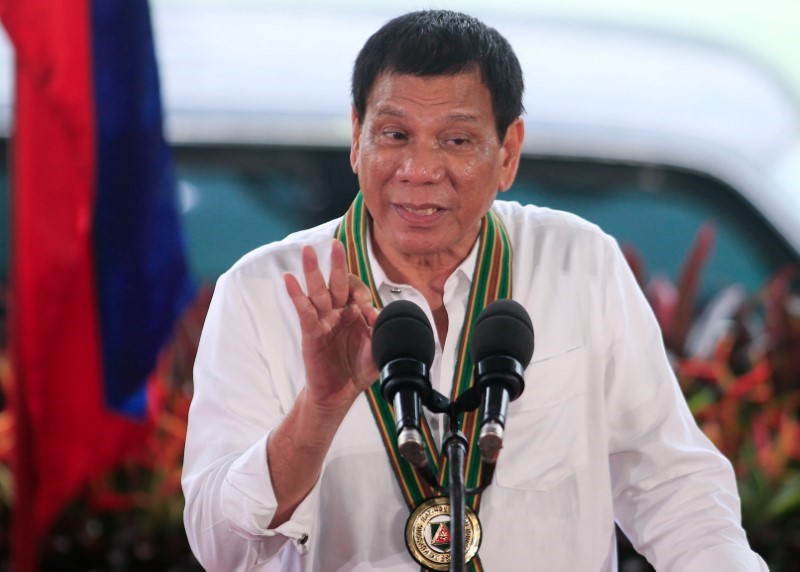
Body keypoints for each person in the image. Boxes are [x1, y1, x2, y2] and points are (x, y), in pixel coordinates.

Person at [182, 9, 768, 571]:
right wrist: (321, 409)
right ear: (357, 135)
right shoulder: (264, 292)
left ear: (508, 151)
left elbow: (670, 486)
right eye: (395, 134)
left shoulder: (579, 263)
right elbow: (219, 548)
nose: (419, 168)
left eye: (456, 141)